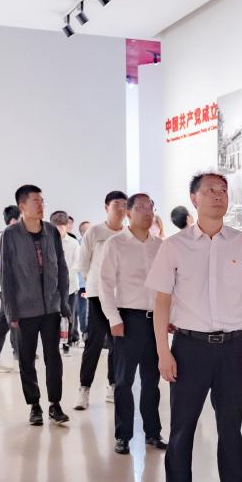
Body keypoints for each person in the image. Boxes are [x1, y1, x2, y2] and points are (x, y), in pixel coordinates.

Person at [146, 173, 242, 482]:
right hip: (189, 348)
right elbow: (161, 302)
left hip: (232, 347)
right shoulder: (174, 246)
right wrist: (163, 352)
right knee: (182, 428)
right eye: (210, 191)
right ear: (194, 199)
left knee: (231, 427)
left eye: (223, 191)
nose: (219, 196)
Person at [100, 193, 167, 455]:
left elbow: (169, 285)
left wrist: (169, 317)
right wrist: (114, 319)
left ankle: (153, 432)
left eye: (151, 207)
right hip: (127, 320)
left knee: (152, 381)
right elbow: (105, 284)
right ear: (128, 213)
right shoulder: (116, 244)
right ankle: (123, 435)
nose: (147, 212)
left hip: (155, 321)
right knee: (123, 382)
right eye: (141, 208)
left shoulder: (160, 245)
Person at [0, 184, 71, 426]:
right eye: (35, 201)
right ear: (22, 206)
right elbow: (6, 275)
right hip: (24, 309)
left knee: (54, 358)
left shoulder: (51, 231)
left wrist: (64, 302)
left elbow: (62, 268)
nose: (41, 205)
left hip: (51, 307)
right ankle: (34, 405)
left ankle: (55, 404)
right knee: (27, 359)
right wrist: (11, 311)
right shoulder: (10, 235)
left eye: (42, 201)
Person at [74, 191, 128, 410]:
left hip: (120, 297)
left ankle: (113, 385)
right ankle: (84, 389)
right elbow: (83, 262)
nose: (121, 207)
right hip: (97, 295)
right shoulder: (95, 231)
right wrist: (94, 282)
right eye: (116, 204)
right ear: (106, 207)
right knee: (94, 342)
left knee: (117, 343)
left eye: (124, 204)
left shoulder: (128, 233)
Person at [0, 205, 21, 372]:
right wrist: (8, 281)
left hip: (15, 286)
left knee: (8, 320)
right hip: (6, 287)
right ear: (14, 220)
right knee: (8, 320)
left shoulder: (17, 235)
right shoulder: (3, 235)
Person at [50, 211, 81, 357]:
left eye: (61, 227)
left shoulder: (73, 243)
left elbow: (78, 263)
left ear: (67, 226)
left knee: (69, 315)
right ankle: (54, 342)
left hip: (70, 286)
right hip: (53, 288)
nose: (59, 230)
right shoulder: (48, 241)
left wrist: (66, 274)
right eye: (56, 227)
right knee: (54, 316)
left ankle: (66, 343)